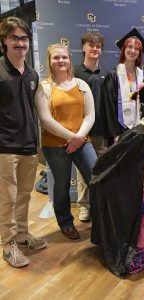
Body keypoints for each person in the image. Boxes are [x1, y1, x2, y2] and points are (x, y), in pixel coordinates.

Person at [90, 76, 144, 278]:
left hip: (140, 182)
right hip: (125, 186)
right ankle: (140, 254)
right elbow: (109, 161)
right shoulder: (139, 134)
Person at [34, 43, 97, 240]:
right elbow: (45, 120)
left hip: (82, 140)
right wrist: (72, 138)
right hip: (55, 145)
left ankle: (102, 216)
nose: (61, 61)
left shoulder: (81, 85)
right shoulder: (43, 88)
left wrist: (79, 138)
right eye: (56, 58)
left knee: (97, 178)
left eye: (64, 57)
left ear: (70, 59)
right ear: (50, 61)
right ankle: (66, 222)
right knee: (61, 185)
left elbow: (90, 115)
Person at [0, 16, 47, 268]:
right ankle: (8, 244)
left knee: (24, 195)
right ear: (5, 41)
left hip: (29, 146)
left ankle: (21, 234)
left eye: (24, 38)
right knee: (6, 198)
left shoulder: (32, 73)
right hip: (5, 147)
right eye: (14, 38)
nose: (20, 43)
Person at [74, 31, 108, 222]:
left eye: (98, 46)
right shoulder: (76, 72)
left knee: (101, 170)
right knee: (83, 172)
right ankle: (84, 206)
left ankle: (100, 205)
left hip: (102, 131)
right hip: (82, 132)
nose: (95, 49)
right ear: (83, 47)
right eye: (91, 45)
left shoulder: (107, 74)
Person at [100, 28, 144, 142]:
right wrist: (115, 133)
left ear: (139, 54)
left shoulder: (142, 76)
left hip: (138, 128)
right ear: (124, 49)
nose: (133, 51)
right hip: (119, 130)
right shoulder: (113, 76)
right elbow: (109, 106)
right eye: (129, 47)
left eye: (137, 49)